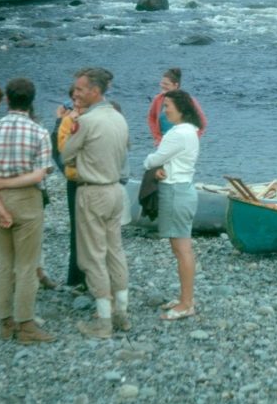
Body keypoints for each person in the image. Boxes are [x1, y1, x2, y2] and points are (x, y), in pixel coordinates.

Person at [0, 77, 55, 344]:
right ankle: (26, 325)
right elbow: (40, 173)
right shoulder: (39, 132)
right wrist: (9, 183)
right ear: (31, 101)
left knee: (4, 263)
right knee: (26, 265)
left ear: (7, 99)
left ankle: (5, 320)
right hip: (26, 200)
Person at [61, 67, 131, 338]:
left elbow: (66, 154)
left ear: (94, 91)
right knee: (115, 251)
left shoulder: (86, 121)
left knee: (92, 255)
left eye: (79, 89)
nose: (75, 93)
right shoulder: (119, 118)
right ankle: (122, 313)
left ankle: (103, 320)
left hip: (92, 191)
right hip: (115, 190)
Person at [143, 89, 201, 321]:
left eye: (167, 107)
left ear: (181, 110)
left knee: (182, 249)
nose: (164, 111)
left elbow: (152, 159)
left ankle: (187, 303)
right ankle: (185, 298)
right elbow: (167, 160)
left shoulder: (178, 134)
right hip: (181, 188)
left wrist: (152, 163)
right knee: (180, 248)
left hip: (176, 192)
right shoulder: (190, 131)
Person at [54, 88, 87, 291]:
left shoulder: (96, 119)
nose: (77, 104)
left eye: (80, 100)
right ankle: (75, 277)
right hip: (75, 181)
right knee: (76, 228)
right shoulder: (68, 121)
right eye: (74, 100)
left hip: (92, 180)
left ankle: (92, 277)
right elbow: (63, 149)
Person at [146, 67, 207, 145]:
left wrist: (193, 139)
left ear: (176, 85)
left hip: (183, 144)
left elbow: (202, 122)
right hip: (164, 143)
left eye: (166, 84)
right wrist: (157, 137)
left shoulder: (189, 100)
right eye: (162, 83)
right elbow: (151, 117)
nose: (162, 86)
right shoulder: (157, 100)